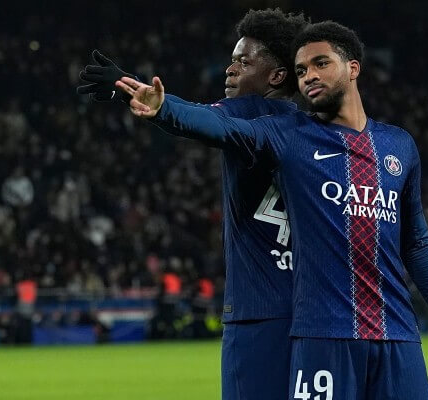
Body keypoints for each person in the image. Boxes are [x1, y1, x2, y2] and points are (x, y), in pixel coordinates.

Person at [117, 21, 428, 398]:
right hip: (324, 336)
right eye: (302, 69)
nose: (310, 76)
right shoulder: (289, 136)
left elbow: (417, 245)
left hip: (398, 334)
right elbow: (221, 126)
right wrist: (164, 109)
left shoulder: (398, 146)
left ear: (353, 68)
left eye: (321, 63)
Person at [78, 9, 307, 400]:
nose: (230, 69)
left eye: (244, 61)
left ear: (276, 76)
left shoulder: (245, 114)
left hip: (258, 313)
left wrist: (152, 101)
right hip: (316, 314)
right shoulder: (316, 127)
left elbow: (204, 119)